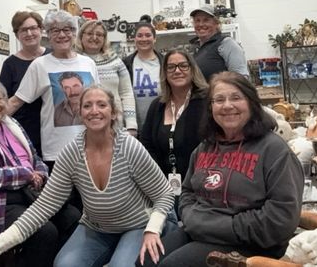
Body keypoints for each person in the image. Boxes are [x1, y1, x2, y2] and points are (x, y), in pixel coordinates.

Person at [0, 85, 176, 267]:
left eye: (102, 105)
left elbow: (165, 195)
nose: (94, 111)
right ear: (79, 112)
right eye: (87, 105)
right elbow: (44, 205)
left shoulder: (130, 148)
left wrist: (153, 229)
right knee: (65, 264)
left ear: (113, 113)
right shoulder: (71, 153)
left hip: (139, 224)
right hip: (98, 228)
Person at [138, 71, 303, 267]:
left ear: (251, 103)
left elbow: (281, 218)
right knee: (146, 261)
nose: (227, 106)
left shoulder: (274, 150)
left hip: (251, 244)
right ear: (211, 108)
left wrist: (223, 226)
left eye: (236, 98)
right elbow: (187, 192)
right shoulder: (205, 147)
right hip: (200, 231)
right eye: (219, 100)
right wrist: (193, 219)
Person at [0, 78, 79, 267]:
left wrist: (40, 174)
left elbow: (35, 158)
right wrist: (26, 174)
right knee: (43, 232)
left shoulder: (12, 125)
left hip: (28, 194)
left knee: (73, 218)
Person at [6, 10, 99, 166]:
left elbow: (99, 102)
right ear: (47, 35)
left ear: (74, 33)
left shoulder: (88, 63)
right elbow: (16, 102)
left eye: (66, 29)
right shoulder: (39, 65)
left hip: (91, 147)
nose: (61, 35)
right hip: (56, 152)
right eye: (55, 30)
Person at [141, 49, 207, 181]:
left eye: (183, 66)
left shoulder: (206, 103)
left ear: (192, 69)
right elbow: (146, 145)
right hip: (163, 184)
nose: (177, 71)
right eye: (171, 67)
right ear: (164, 73)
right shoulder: (157, 106)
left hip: (200, 182)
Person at [0, 11, 50, 155]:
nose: (29, 33)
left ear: (41, 30)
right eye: (23, 30)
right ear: (17, 35)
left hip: (52, 128)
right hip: (23, 131)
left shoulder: (53, 56)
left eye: (33, 28)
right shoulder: (10, 65)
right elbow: (4, 101)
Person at [76, 20, 137, 133]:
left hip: (115, 125)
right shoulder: (73, 61)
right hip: (83, 126)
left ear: (104, 38)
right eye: (89, 33)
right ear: (81, 36)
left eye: (99, 35)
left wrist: (131, 125)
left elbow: (126, 93)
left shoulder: (115, 61)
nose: (94, 37)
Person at [123, 22, 163, 135]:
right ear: (134, 39)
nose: (143, 39)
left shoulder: (165, 62)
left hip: (161, 124)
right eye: (139, 35)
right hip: (135, 127)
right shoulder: (126, 64)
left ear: (154, 38)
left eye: (148, 35)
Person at [190, 5, 249, 81]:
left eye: (206, 20)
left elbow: (241, 79)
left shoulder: (227, 43)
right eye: (197, 21)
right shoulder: (196, 48)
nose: (201, 24)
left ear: (216, 23)